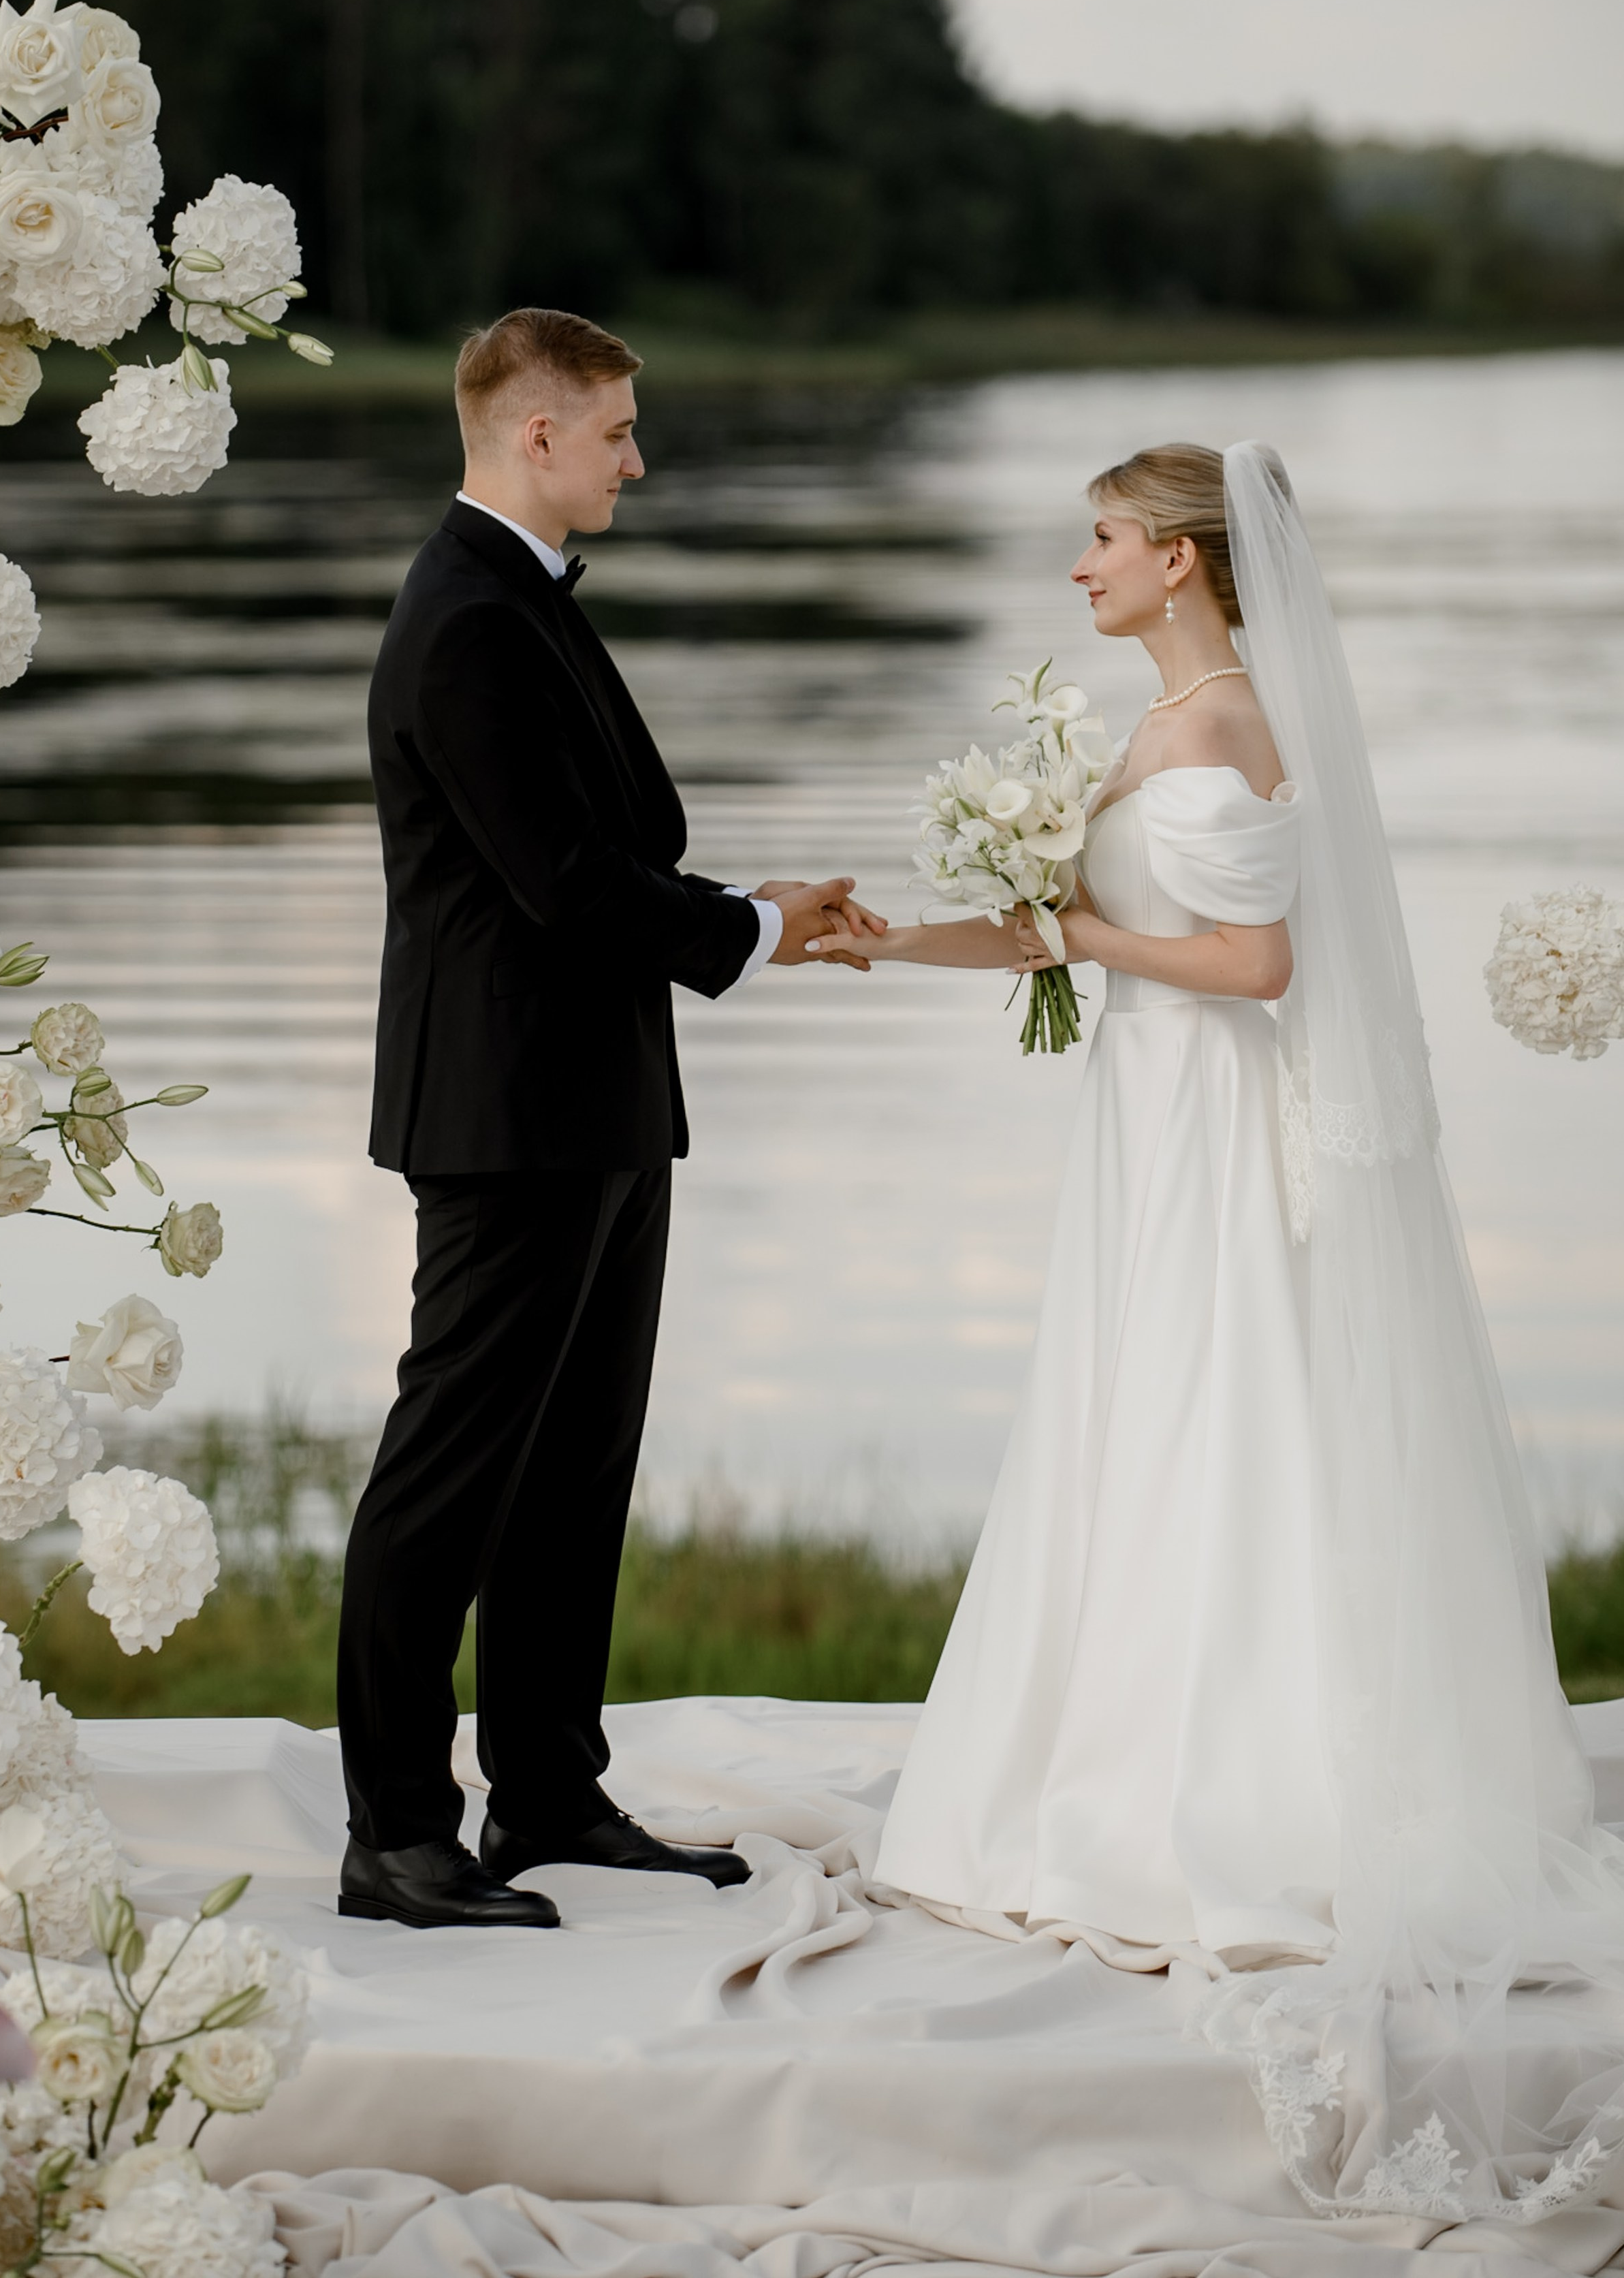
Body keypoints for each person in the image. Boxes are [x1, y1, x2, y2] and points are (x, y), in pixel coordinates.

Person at [817, 441, 1624, 2227]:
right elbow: (1072, 933)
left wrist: (1080, 923)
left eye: (1101, 541)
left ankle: (1227, 1766)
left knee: (1208, 1413)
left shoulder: (1229, 726)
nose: (1079, 570)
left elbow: (1252, 966)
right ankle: (1114, 1728)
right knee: (1131, 1415)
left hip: (1203, 1124)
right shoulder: (1153, 725)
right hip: (1141, 1116)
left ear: (1184, 559)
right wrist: (891, 940)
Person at [336, 308, 881, 1933]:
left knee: (575, 1467)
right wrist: (761, 934)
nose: (640, 458)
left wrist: (741, 900)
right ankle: (395, 1834)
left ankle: (551, 1791)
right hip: (505, 1113)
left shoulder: (517, 599)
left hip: (595, 1100)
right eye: (623, 431)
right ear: (538, 435)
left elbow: (594, 852)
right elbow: (561, 886)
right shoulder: (467, 620)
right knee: (448, 1473)